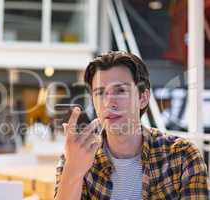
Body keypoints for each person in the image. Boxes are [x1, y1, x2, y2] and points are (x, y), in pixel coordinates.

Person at [54, 51, 208, 199]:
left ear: (143, 98)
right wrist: (73, 171)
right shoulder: (76, 156)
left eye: (120, 90)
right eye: (100, 93)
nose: (109, 103)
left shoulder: (182, 156)